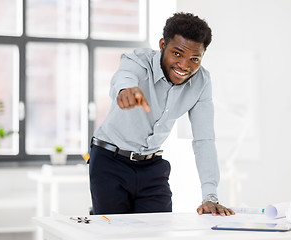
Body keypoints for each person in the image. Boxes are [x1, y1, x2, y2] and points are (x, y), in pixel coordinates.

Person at [89, 12, 234, 216]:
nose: (184, 65)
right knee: (113, 232)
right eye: (177, 53)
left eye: (194, 58)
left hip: (152, 167)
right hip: (110, 162)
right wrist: (125, 90)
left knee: (158, 230)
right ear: (162, 44)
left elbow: (204, 139)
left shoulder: (202, 82)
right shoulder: (140, 61)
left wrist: (210, 196)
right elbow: (124, 76)